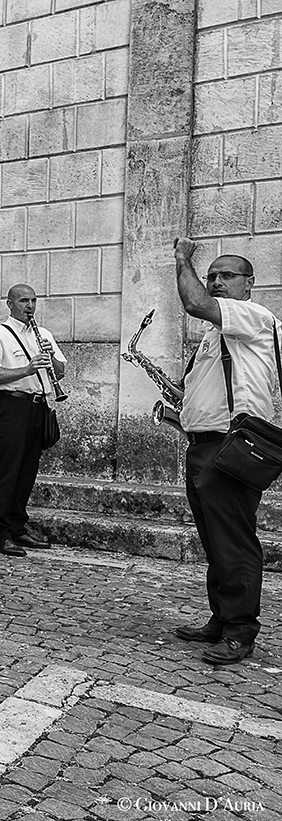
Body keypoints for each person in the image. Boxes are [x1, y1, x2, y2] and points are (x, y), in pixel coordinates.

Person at [172, 239, 275, 666]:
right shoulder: (217, 337)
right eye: (211, 275)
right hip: (204, 446)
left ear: (248, 285)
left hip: (232, 447)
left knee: (234, 542)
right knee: (216, 542)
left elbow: (194, 303)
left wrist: (183, 260)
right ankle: (221, 618)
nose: (214, 282)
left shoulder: (253, 317)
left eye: (225, 276)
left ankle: (239, 630)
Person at [0, 284, 66, 557]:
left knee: (28, 472)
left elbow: (60, 371)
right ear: (10, 303)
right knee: (9, 471)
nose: (29, 306)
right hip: (12, 406)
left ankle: (18, 528)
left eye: (33, 301)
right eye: (23, 301)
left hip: (38, 407)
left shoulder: (45, 334)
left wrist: (50, 356)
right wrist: (27, 369)